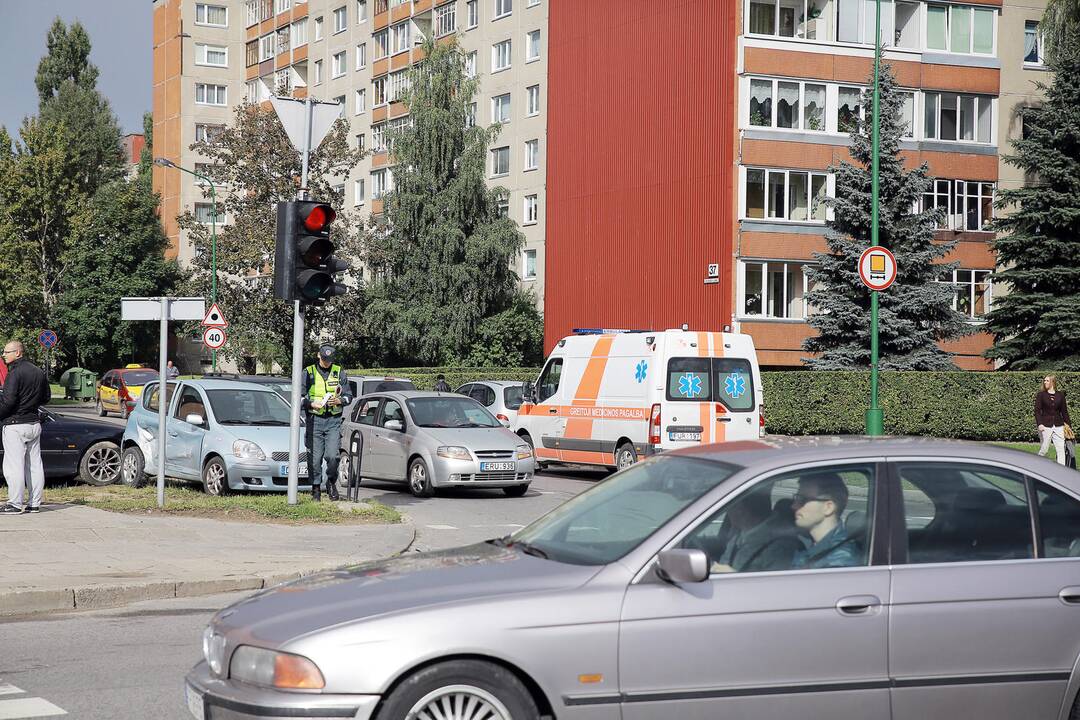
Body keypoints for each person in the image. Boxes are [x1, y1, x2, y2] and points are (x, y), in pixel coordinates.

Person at [0, 341, 51, 514]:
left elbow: (8, 402)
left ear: (18, 353)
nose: (4, 355)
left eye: (7, 352)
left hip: (15, 424)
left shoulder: (14, 373)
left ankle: (15, 504)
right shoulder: (38, 371)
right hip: (34, 423)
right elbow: (46, 397)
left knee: (14, 466)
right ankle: (34, 503)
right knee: (35, 465)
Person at [302, 344, 352, 501]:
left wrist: (339, 400)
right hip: (314, 420)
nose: (326, 362)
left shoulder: (339, 372)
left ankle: (331, 481)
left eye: (329, 360)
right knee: (315, 460)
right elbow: (300, 396)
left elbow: (349, 396)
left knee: (332, 456)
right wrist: (311, 404)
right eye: (324, 359)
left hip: (333, 421)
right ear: (318, 356)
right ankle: (316, 488)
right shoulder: (308, 372)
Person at [710, 488, 800, 573]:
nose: (728, 512)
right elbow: (725, 561)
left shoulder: (781, 545)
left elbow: (776, 586)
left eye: (731, 507)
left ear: (741, 510)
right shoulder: (740, 534)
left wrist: (733, 575)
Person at [790, 474, 860, 569]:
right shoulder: (809, 542)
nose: (794, 506)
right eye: (796, 498)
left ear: (828, 508)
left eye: (803, 500)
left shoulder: (838, 561)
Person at [1036, 375, 1071, 466]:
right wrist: (1040, 424)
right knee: (1044, 449)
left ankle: (1061, 471)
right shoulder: (1041, 395)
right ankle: (1036, 466)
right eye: (1044, 381)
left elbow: (1064, 412)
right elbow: (1037, 411)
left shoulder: (1060, 395)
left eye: (1047, 381)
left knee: (1060, 450)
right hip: (1045, 426)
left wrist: (1068, 426)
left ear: (1052, 382)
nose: (1045, 382)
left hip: (1059, 425)